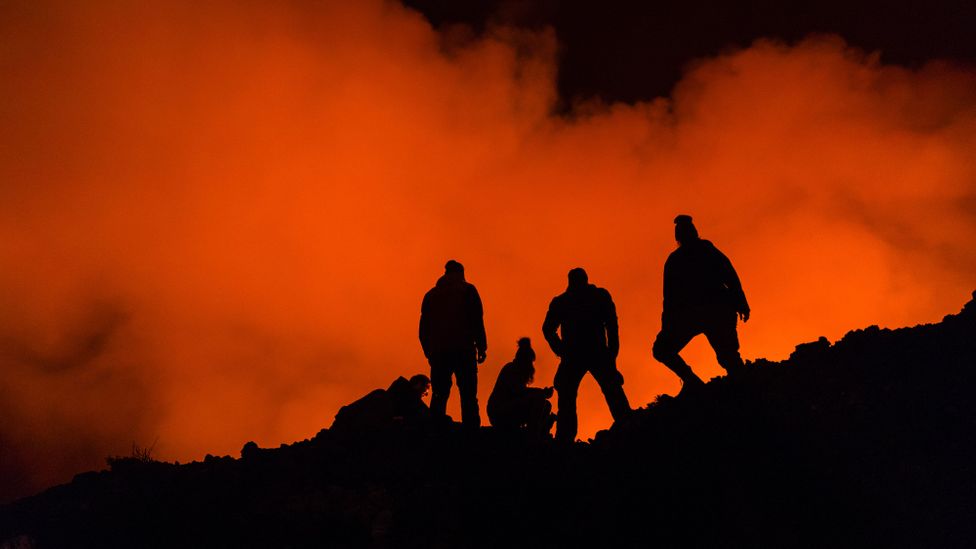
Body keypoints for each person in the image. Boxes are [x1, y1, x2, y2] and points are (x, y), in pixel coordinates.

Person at [652, 215, 750, 393]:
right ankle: (698, 382)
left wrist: (741, 302)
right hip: (705, 313)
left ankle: (739, 389)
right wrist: (741, 302)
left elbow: (730, 275)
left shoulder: (684, 257)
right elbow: (730, 276)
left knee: (727, 355)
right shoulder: (694, 254)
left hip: (708, 312)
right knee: (663, 349)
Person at [542, 268, 631, 443]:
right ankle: (627, 425)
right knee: (607, 389)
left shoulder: (565, 301)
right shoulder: (597, 297)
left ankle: (565, 440)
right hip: (590, 353)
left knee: (574, 393)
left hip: (580, 354)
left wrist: (561, 350)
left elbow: (547, 329)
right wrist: (611, 356)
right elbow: (612, 326)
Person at [419, 260, 487, 427]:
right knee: (468, 394)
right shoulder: (468, 291)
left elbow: (423, 330)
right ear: (461, 273)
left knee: (439, 394)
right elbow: (476, 321)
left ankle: (435, 431)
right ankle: (471, 433)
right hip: (464, 350)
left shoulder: (431, 295)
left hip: (439, 353)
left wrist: (429, 352)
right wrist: (482, 347)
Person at [487, 338, 556, 435]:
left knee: (547, 405)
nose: (531, 366)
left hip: (508, 410)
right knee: (539, 399)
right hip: (499, 413)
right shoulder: (511, 369)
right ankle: (532, 436)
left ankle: (540, 432)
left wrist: (541, 393)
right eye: (530, 362)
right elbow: (518, 392)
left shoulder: (518, 373)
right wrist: (541, 393)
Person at [331, 374, 431, 433]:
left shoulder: (382, 394)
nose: (426, 394)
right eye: (426, 388)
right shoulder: (410, 401)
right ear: (417, 384)